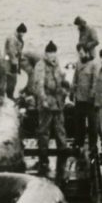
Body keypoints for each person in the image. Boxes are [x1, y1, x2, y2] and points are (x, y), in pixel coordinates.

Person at [33, 41, 69, 174]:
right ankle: (43, 157)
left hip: (58, 101)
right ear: (46, 53)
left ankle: (63, 152)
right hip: (47, 102)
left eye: (54, 53)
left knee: (60, 127)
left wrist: (65, 88)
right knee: (44, 131)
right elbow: (39, 85)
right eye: (50, 53)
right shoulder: (40, 66)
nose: (53, 56)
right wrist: (43, 100)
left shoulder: (56, 63)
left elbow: (60, 78)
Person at [70, 44, 99, 154]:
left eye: (82, 53)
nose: (80, 55)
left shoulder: (94, 65)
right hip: (79, 98)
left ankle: (93, 145)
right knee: (79, 123)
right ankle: (79, 143)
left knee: (92, 124)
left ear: (87, 52)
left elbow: (95, 82)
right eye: (79, 53)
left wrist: (92, 96)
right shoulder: (78, 63)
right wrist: (72, 92)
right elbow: (75, 78)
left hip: (90, 100)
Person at [4, 23, 27, 99]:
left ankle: (9, 96)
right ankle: (9, 97)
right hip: (9, 62)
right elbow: (11, 52)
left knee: (12, 80)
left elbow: (18, 51)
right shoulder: (13, 39)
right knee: (12, 80)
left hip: (13, 61)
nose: (23, 35)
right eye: (23, 33)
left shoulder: (17, 37)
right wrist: (15, 66)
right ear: (20, 31)